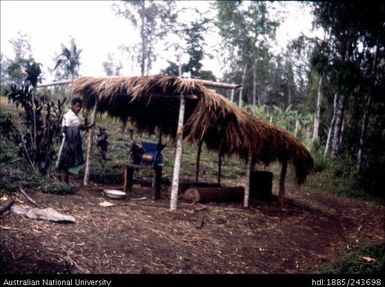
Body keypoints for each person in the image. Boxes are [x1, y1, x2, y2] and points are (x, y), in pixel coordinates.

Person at [56, 97, 93, 184]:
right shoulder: (68, 116)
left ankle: (64, 181)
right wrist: (77, 128)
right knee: (67, 162)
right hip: (69, 142)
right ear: (72, 106)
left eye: (80, 107)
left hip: (74, 142)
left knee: (70, 162)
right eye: (77, 106)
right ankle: (64, 181)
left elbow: (80, 127)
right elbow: (65, 129)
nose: (79, 108)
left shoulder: (74, 116)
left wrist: (86, 125)